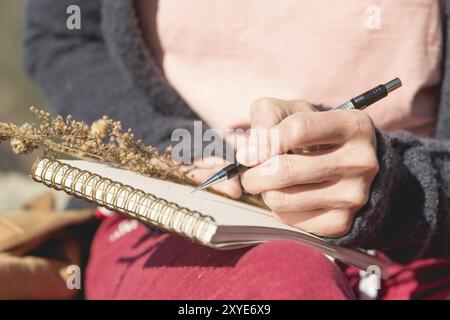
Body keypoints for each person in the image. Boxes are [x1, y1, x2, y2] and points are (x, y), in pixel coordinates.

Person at [24, 0, 450, 299]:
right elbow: (65, 35)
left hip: (418, 242)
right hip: (176, 219)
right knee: (281, 284)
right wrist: (162, 143)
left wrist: (399, 190)